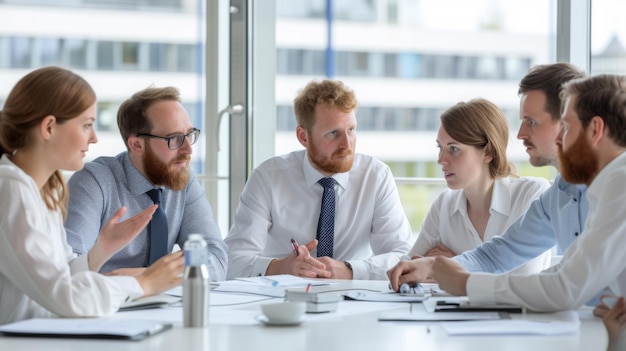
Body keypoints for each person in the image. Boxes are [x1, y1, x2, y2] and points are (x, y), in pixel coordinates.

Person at [392, 74, 626, 312]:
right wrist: (436, 267)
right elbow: (505, 257)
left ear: (595, 129)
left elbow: (564, 288)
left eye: (565, 127)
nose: (558, 138)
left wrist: (464, 282)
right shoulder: (568, 191)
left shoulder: (620, 183)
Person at [0, 66, 183, 325]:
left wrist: (101, 250)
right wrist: (142, 283)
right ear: (49, 127)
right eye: (86, 125)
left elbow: (60, 277)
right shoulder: (11, 191)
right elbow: (66, 297)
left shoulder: (43, 191)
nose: (94, 138)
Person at [225, 79, 412, 280]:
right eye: (333, 134)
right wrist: (281, 267)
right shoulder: (268, 178)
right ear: (303, 136)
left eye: (351, 130)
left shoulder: (375, 176)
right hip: (283, 297)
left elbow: (404, 257)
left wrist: (349, 270)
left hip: (353, 297)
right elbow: (232, 260)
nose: (347, 145)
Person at [65, 86, 228, 280]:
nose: (188, 150)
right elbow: (70, 268)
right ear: (137, 145)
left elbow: (216, 258)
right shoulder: (93, 181)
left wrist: (151, 277)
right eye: (174, 139)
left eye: (189, 135)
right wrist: (164, 276)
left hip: (167, 304)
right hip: (107, 304)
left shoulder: (183, 179)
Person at [408, 98, 550, 274]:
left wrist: (455, 267)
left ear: (488, 152)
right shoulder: (444, 204)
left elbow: (522, 281)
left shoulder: (531, 195)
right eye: (440, 148)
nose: (441, 160)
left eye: (454, 149)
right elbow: (410, 269)